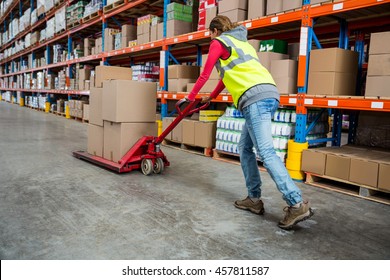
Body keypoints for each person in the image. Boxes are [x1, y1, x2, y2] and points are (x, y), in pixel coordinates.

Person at [184, 15, 313, 230]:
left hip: (255, 100)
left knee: (266, 152)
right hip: (268, 94)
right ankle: (254, 199)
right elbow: (227, 76)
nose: (209, 38)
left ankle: (296, 203)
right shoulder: (242, 44)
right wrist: (211, 97)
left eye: (209, 33)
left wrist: (189, 98)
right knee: (244, 148)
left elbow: (205, 73)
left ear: (215, 30)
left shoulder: (219, 42)